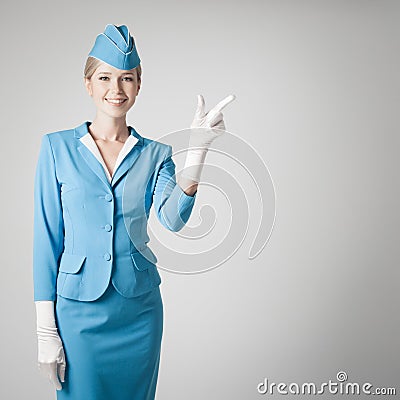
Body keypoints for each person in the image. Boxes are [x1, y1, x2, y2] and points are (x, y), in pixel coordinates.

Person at [33, 23, 235, 400]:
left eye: (127, 78)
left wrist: (198, 150)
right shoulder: (56, 148)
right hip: (78, 312)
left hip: (139, 312)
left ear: (139, 85)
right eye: (105, 77)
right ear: (88, 83)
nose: (116, 89)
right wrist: (46, 332)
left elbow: (173, 218)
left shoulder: (156, 154)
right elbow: (47, 239)